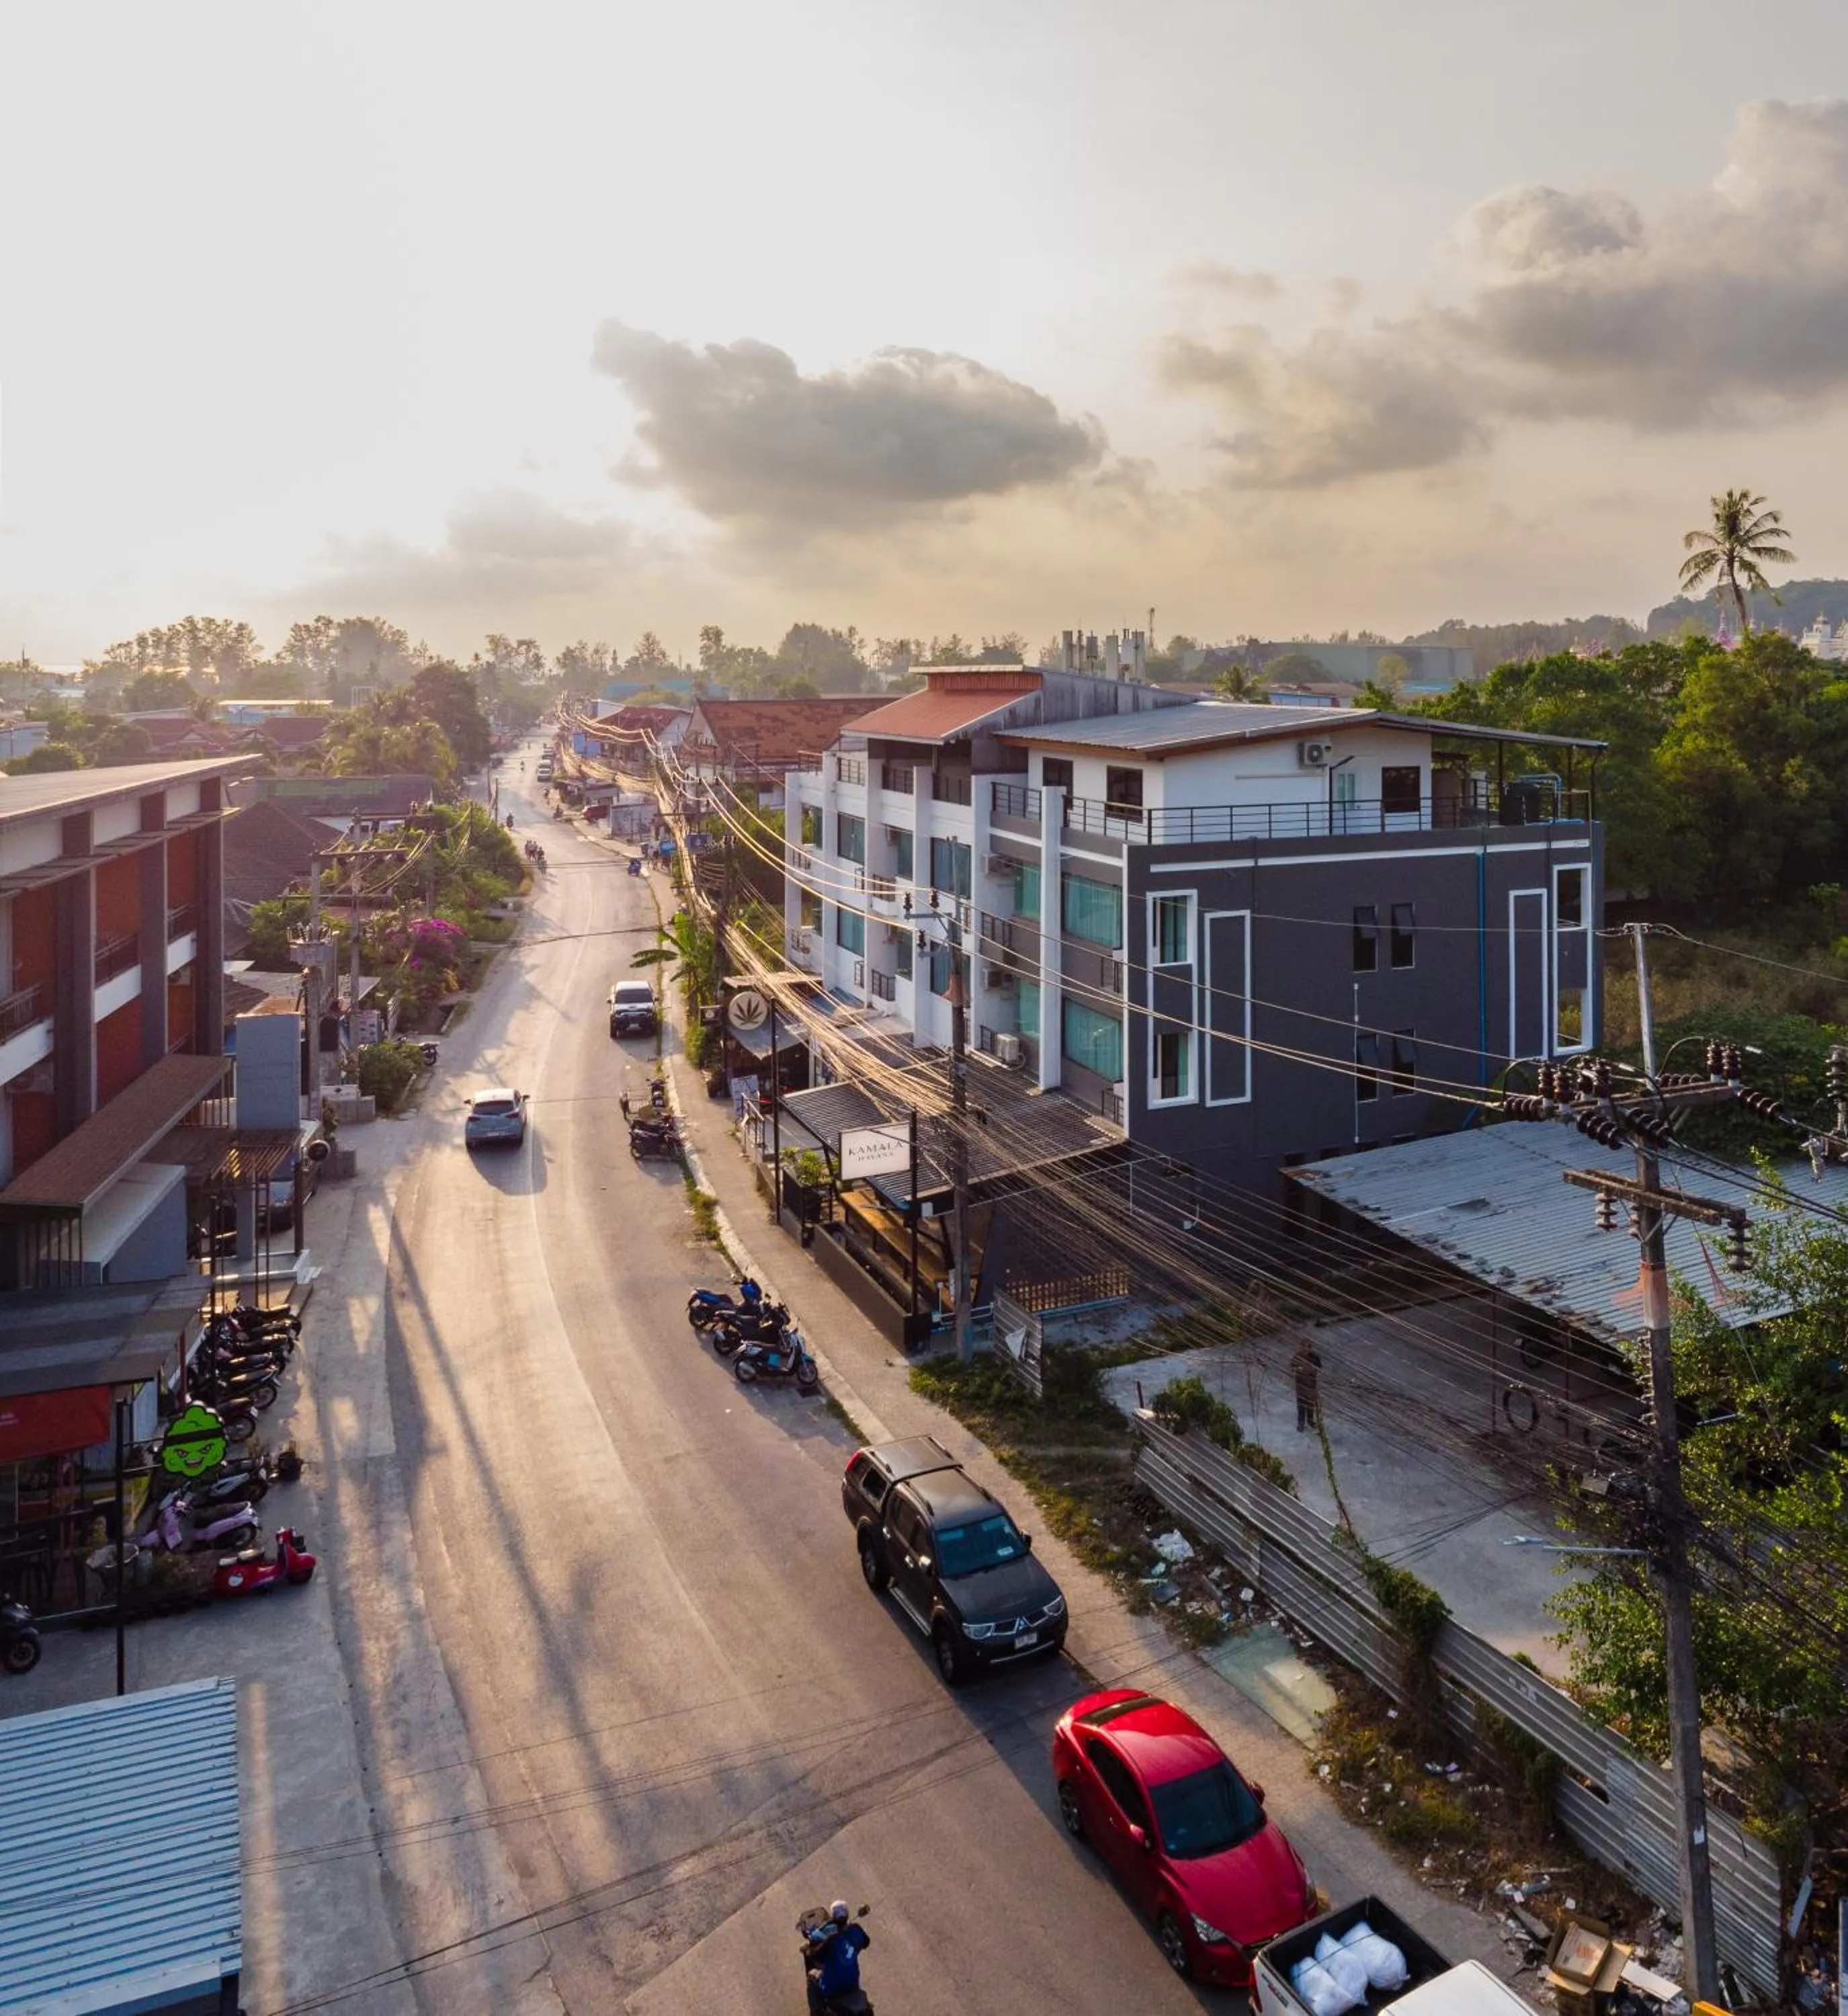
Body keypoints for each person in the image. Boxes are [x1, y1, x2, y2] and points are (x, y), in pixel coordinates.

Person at [806, 1902, 869, 2015]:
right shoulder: (856, 1931)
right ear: (847, 1916)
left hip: (832, 1991)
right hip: (853, 1984)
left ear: (833, 1918)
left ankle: (816, 2013)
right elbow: (866, 1942)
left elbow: (813, 1956)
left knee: (812, 1976)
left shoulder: (827, 1940)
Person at [1291, 1339, 1322, 1433]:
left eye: (1307, 1347)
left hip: (1311, 1383)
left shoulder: (1315, 1358)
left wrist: (1311, 1369)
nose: (1305, 1349)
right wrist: (1298, 1370)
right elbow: (1292, 1368)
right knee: (1301, 1404)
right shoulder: (1297, 1357)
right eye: (1303, 1347)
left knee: (1310, 1403)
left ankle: (1310, 1420)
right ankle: (1301, 1423)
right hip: (1301, 1384)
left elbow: (1319, 1369)